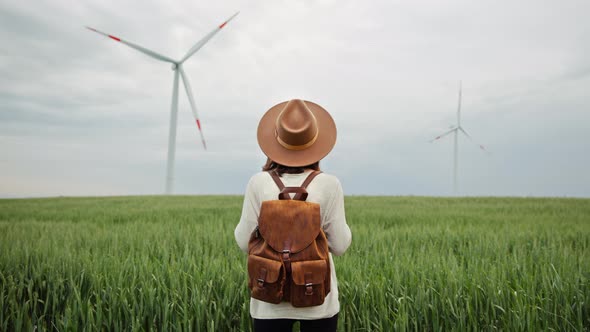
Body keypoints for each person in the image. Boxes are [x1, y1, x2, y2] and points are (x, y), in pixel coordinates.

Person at [234, 99, 352, 332]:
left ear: (275, 142)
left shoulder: (258, 183)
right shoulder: (329, 185)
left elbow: (243, 240)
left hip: (268, 297)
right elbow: (339, 245)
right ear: (315, 143)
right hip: (318, 299)